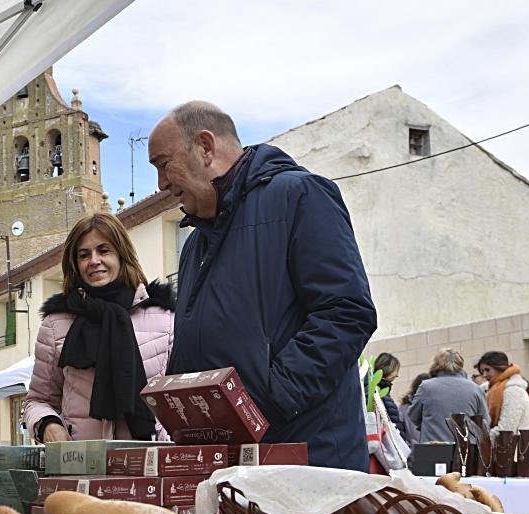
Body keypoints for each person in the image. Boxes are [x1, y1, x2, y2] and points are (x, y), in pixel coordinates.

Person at [148, 101, 377, 470]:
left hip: (306, 460)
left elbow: (347, 313)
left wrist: (269, 398)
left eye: (163, 164)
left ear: (206, 147)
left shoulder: (301, 196)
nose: (160, 184)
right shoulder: (194, 244)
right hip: (235, 464)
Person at [24, 212, 174, 442]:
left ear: (122, 255)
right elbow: (38, 400)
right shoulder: (56, 324)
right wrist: (48, 425)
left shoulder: (164, 318)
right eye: (84, 255)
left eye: (104, 251)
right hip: (81, 466)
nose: (94, 260)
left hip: (150, 464)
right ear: (75, 264)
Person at [407, 349, 488, 443]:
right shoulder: (476, 389)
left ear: (436, 365)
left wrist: (429, 425)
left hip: (433, 449)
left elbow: (413, 415)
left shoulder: (426, 387)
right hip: (466, 449)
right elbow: (484, 423)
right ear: (460, 365)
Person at [475, 351, 529, 437]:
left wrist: (483, 439)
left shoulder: (513, 390)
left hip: (513, 446)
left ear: (499, 368)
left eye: (487, 370)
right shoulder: (490, 389)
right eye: (482, 371)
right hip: (502, 445)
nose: (484, 375)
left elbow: (507, 428)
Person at [373, 352, 404, 433]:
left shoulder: (381, 390)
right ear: (388, 369)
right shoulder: (378, 392)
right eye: (396, 370)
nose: (397, 375)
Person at [399, 372, 431, 450]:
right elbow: (400, 432)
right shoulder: (404, 408)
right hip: (412, 454)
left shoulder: (434, 407)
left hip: (431, 452)